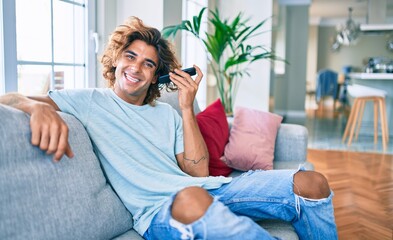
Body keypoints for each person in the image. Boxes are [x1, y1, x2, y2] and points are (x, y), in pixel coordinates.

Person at [0, 16, 338, 239]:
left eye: (148, 64)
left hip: (209, 189)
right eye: (130, 56)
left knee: (311, 181)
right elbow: (8, 97)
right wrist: (34, 107)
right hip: (159, 210)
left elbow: (198, 172)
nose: (136, 68)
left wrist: (187, 108)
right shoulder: (89, 101)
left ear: (156, 75)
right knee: (190, 198)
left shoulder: (168, 113)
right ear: (116, 59)